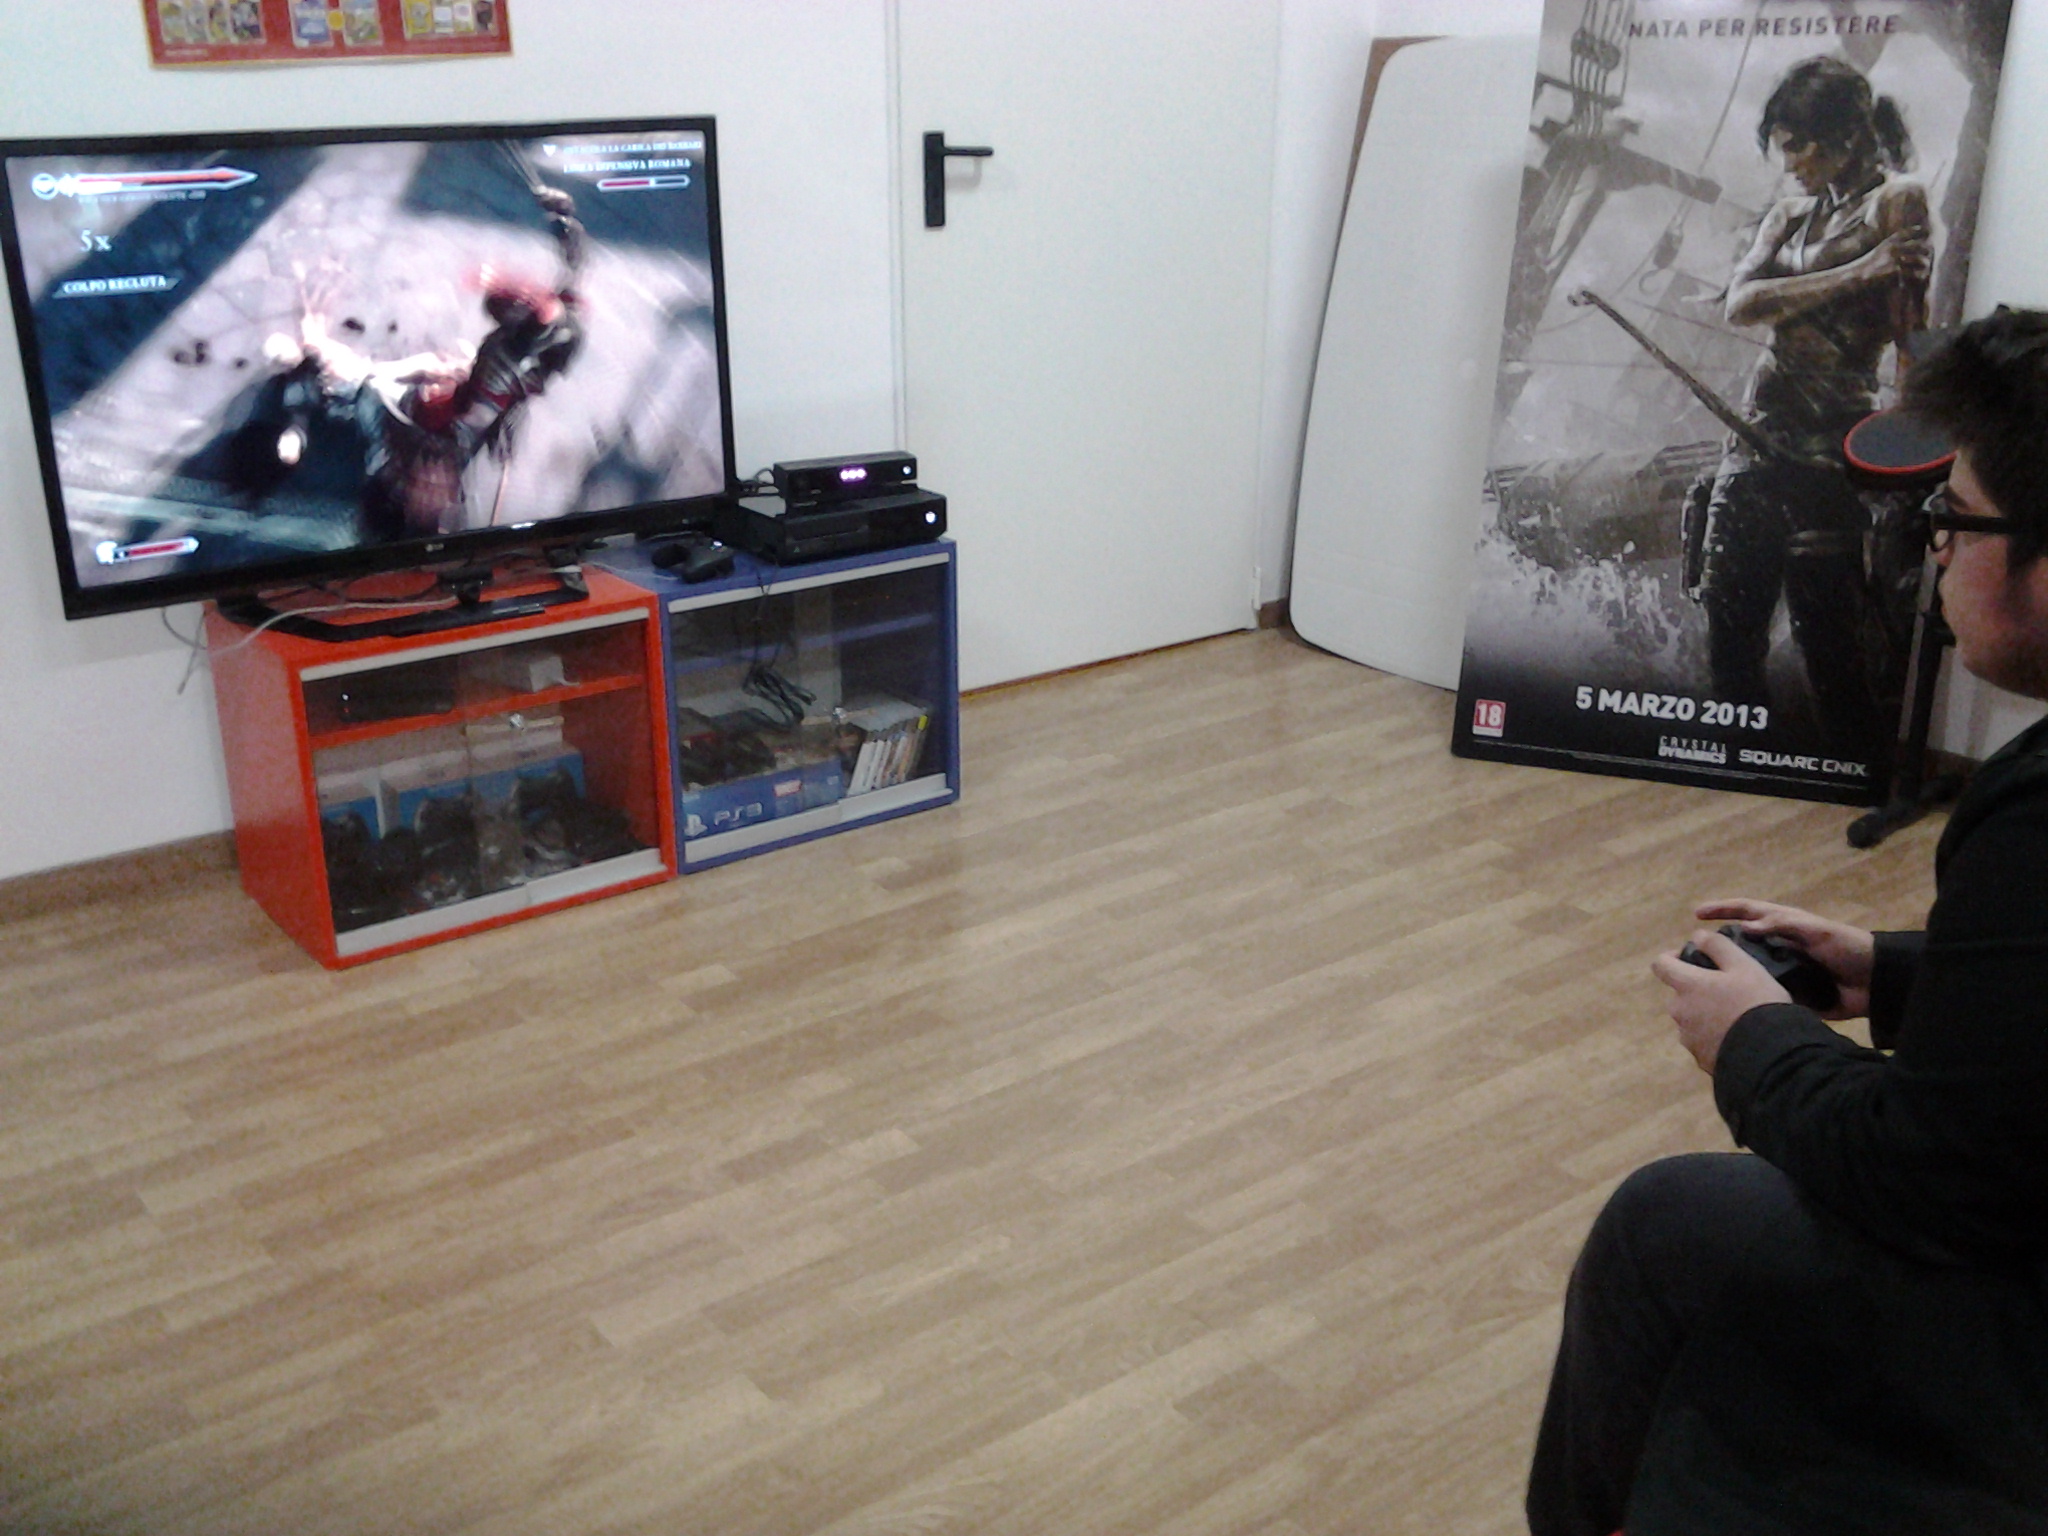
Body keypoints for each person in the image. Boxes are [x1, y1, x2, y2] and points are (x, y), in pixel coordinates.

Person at [1527, 307, 2048, 1535]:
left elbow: (1925, 1180)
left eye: (1953, 519)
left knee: (1664, 1224)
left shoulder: (2029, 820)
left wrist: (1753, 1041)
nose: (1932, 553)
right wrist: (1894, 972)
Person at [1696, 56, 1931, 769]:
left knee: (1831, 651)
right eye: (1784, 146)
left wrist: (1905, 466)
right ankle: (1735, 771)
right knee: (1729, 641)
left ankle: (1845, 781)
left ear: (1848, 137)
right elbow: (1742, 303)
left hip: (1831, 461)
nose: (1790, 162)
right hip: (1755, 444)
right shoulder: (1790, 214)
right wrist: (1860, 271)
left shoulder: (1898, 201)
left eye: (1801, 145)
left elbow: (1911, 341)